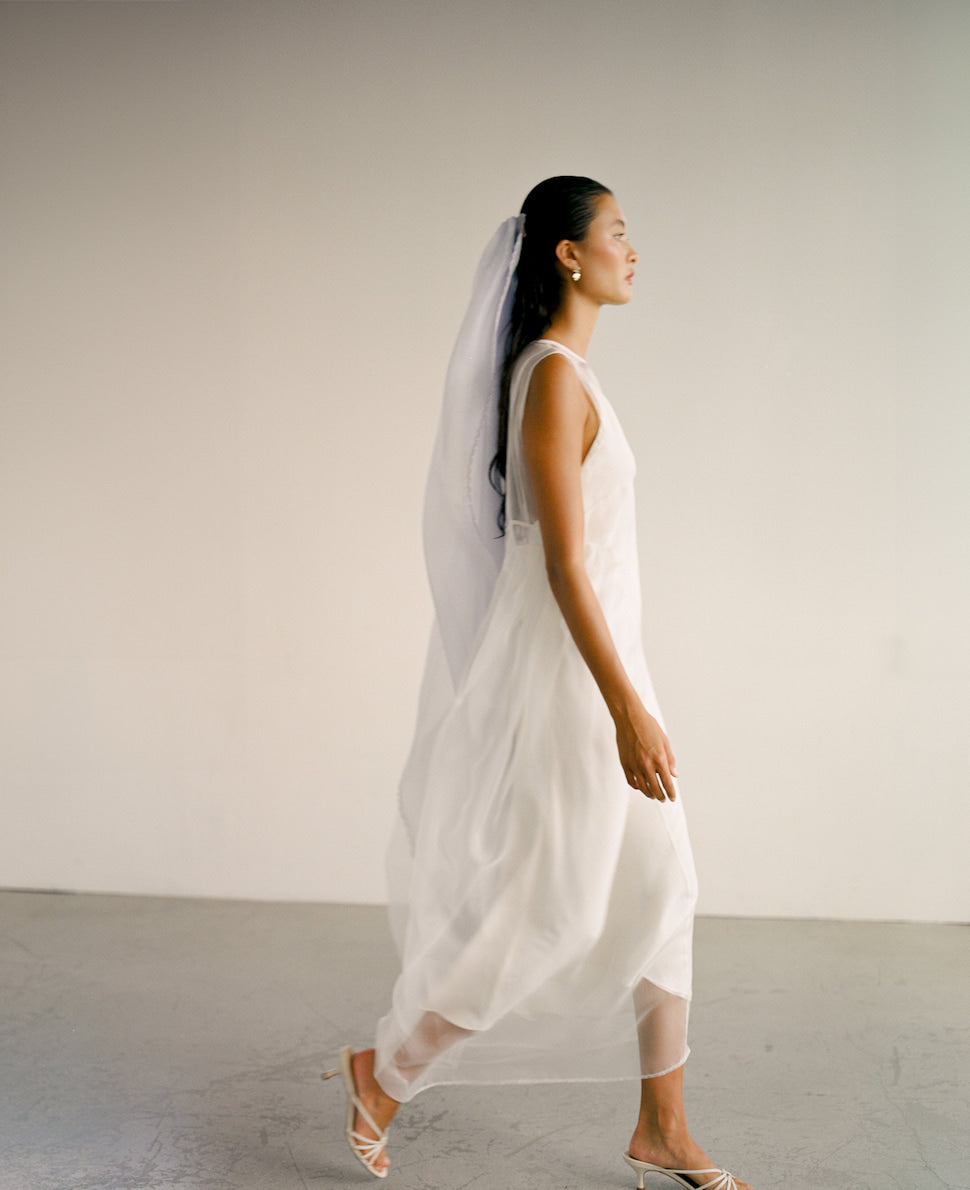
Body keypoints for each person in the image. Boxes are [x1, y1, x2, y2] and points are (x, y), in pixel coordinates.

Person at [324, 177, 755, 1190]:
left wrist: (633, 694)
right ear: (566, 255)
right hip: (578, 691)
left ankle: (664, 1126)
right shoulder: (555, 377)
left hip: (607, 675)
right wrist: (625, 712)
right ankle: (378, 1075)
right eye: (615, 232)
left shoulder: (568, 377)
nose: (631, 249)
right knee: (546, 908)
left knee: (665, 886)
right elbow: (562, 565)